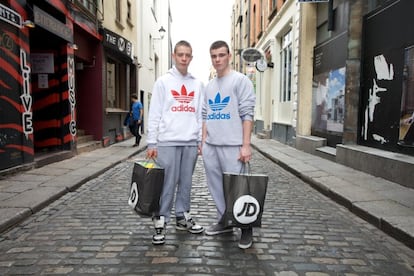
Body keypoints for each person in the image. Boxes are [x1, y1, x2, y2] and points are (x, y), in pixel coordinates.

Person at [146, 40, 204, 245]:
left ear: (191, 57)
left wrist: (199, 140)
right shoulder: (163, 82)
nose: (184, 58)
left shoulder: (197, 84)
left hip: (189, 142)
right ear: (174, 56)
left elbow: (199, 114)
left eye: (187, 55)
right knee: (167, 183)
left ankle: (182, 216)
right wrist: (151, 142)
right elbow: (154, 114)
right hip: (167, 141)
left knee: (186, 182)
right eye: (180, 54)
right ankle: (161, 220)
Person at [201, 40, 256, 249]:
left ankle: (245, 227)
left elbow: (247, 114)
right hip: (212, 146)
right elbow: (205, 115)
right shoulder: (209, 86)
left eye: (221, 55)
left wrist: (246, 145)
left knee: (238, 188)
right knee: (216, 187)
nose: (217, 60)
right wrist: (203, 142)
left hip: (233, 145)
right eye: (214, 56)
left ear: (229, 56)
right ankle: (224, 221)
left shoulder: (240, 81)